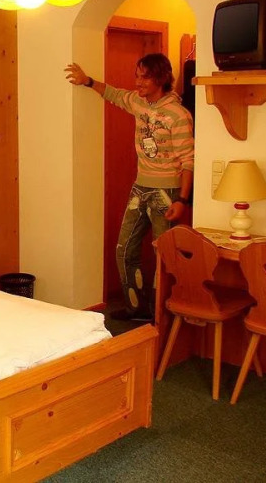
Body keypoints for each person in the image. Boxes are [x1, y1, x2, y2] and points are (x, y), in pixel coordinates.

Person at [64, 53, 194, 321]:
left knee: (164, 256)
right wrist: (87, 81)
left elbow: (189, 161)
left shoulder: (178, 115)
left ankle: (162, 317)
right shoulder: (138, 102)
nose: (138, 82)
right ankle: (138, 309)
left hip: (167, 193)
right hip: (140, 187)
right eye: (137, 76)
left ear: (161, 78)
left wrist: (182, 200)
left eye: (145, 77)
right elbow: (113, 94)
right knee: (124, 250)